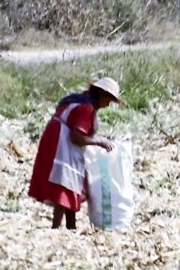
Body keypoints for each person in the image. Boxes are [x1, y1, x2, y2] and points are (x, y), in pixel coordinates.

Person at [28, 77, 122, 229]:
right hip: (62, 141)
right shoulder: (87, 108)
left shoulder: (79, 99)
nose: (108, 104)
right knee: (65, 183)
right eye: (109, 99)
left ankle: (71, 227)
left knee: (71, 184)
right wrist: (99, 141)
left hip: (55, 137)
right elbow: (76, 136)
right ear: (102, 94)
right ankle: (56, 227)